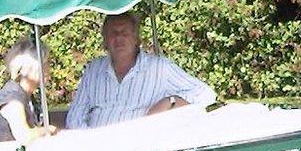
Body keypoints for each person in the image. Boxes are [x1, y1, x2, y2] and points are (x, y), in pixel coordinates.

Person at [65, 12, 215, 130]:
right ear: (105, 39)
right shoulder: (94, 70)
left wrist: (171, 101)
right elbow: (75, 117)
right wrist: (89, 144)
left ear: (136, 38)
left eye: (125, 33)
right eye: (113, 33)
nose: (119, 38)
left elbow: (206, 94)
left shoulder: (159, 67)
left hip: (141, 149)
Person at [0, 39, 59, 145]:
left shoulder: (27, 95)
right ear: (26, 69)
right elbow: (24, 136)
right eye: (45, 64)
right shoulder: (12, 97)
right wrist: (47, 130)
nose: (48, 68)